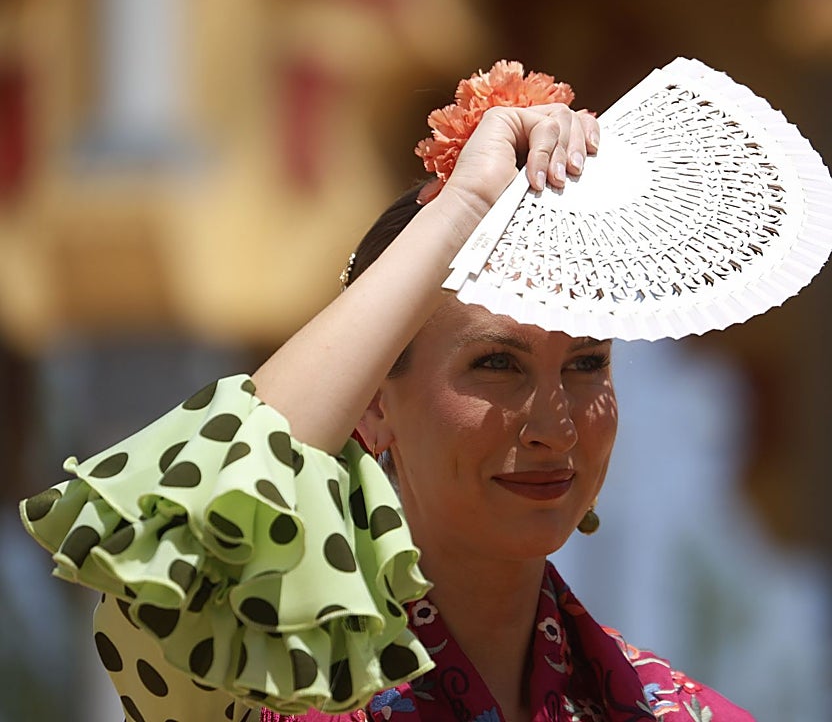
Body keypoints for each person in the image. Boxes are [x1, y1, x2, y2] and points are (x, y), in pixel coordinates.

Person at [20, 63, 755, 721]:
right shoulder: (272, 689)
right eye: (498, 364)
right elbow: (188, 530)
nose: (554, 427)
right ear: (373, 401)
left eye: (587, 363)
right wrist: (462, 208)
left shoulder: (678, 714)